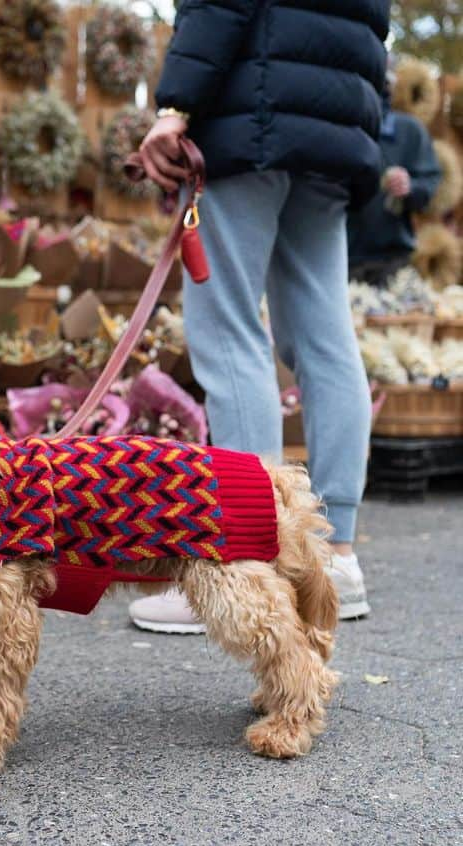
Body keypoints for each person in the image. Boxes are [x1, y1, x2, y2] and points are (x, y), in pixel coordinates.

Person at [130, 0, 389, 632]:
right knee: (325, 338)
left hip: (252, 120)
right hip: (333, 131)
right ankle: (335, 559)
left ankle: (249, 560)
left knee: (228, 329)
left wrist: (175, 109)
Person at [348, 69, 442, 285]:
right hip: (340, 254)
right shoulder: (345, 129)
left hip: (393, 258)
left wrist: (411, 187)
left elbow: (430, 184)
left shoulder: (409, 131)